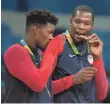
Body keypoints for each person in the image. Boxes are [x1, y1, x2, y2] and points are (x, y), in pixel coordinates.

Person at [41, 5, 108, 103]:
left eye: (87, 23)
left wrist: (97, 57)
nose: (81, 27)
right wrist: (73, 80)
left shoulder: (93, 46)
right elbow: (43, 89)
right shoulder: (57, 43)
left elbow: (102, 94)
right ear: (71, 21)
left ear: (92, 25)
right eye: (77, 22)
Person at [3, 9, 73, 103]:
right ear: (36, 30)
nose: (51, 37)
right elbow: (38, 84)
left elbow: (46, 89)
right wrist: (52, 51)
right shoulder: (15, 51)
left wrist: (73, 79)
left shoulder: (38, 54)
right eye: (49, 32)